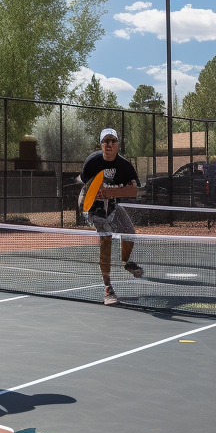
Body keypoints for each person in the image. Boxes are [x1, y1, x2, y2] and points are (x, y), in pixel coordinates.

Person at [79, 128, 142, 306]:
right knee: (106, 240)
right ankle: (108, 288)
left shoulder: (124, 165)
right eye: (105, 141)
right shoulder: (92, 162)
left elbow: (133, 190)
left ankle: (127, 262)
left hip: (112, 203)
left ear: (117, 144)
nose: (109, 144)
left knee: (129, 233)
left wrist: (111, 192)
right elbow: (85, 186)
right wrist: (97, 193)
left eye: (113, 141)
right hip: (93, 206)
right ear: (101, 144)